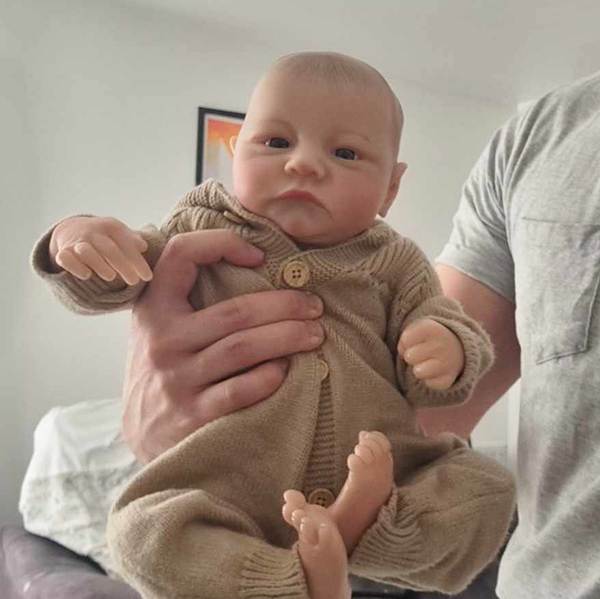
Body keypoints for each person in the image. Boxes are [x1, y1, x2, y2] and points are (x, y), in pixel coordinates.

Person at [32, 52, 515, 599]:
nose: (304, 164)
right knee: (139, 533)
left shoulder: (395, 262)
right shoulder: (198, 223)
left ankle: (361, 530)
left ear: (390, 188)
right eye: (277, 142)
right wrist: (76, 238)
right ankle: (295, 583)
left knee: (486, 489)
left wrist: (448, 348)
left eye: (346, 152)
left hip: (388, 477)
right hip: (226, 481)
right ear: (237, 149)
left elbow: (438, 350)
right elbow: (123, 274)